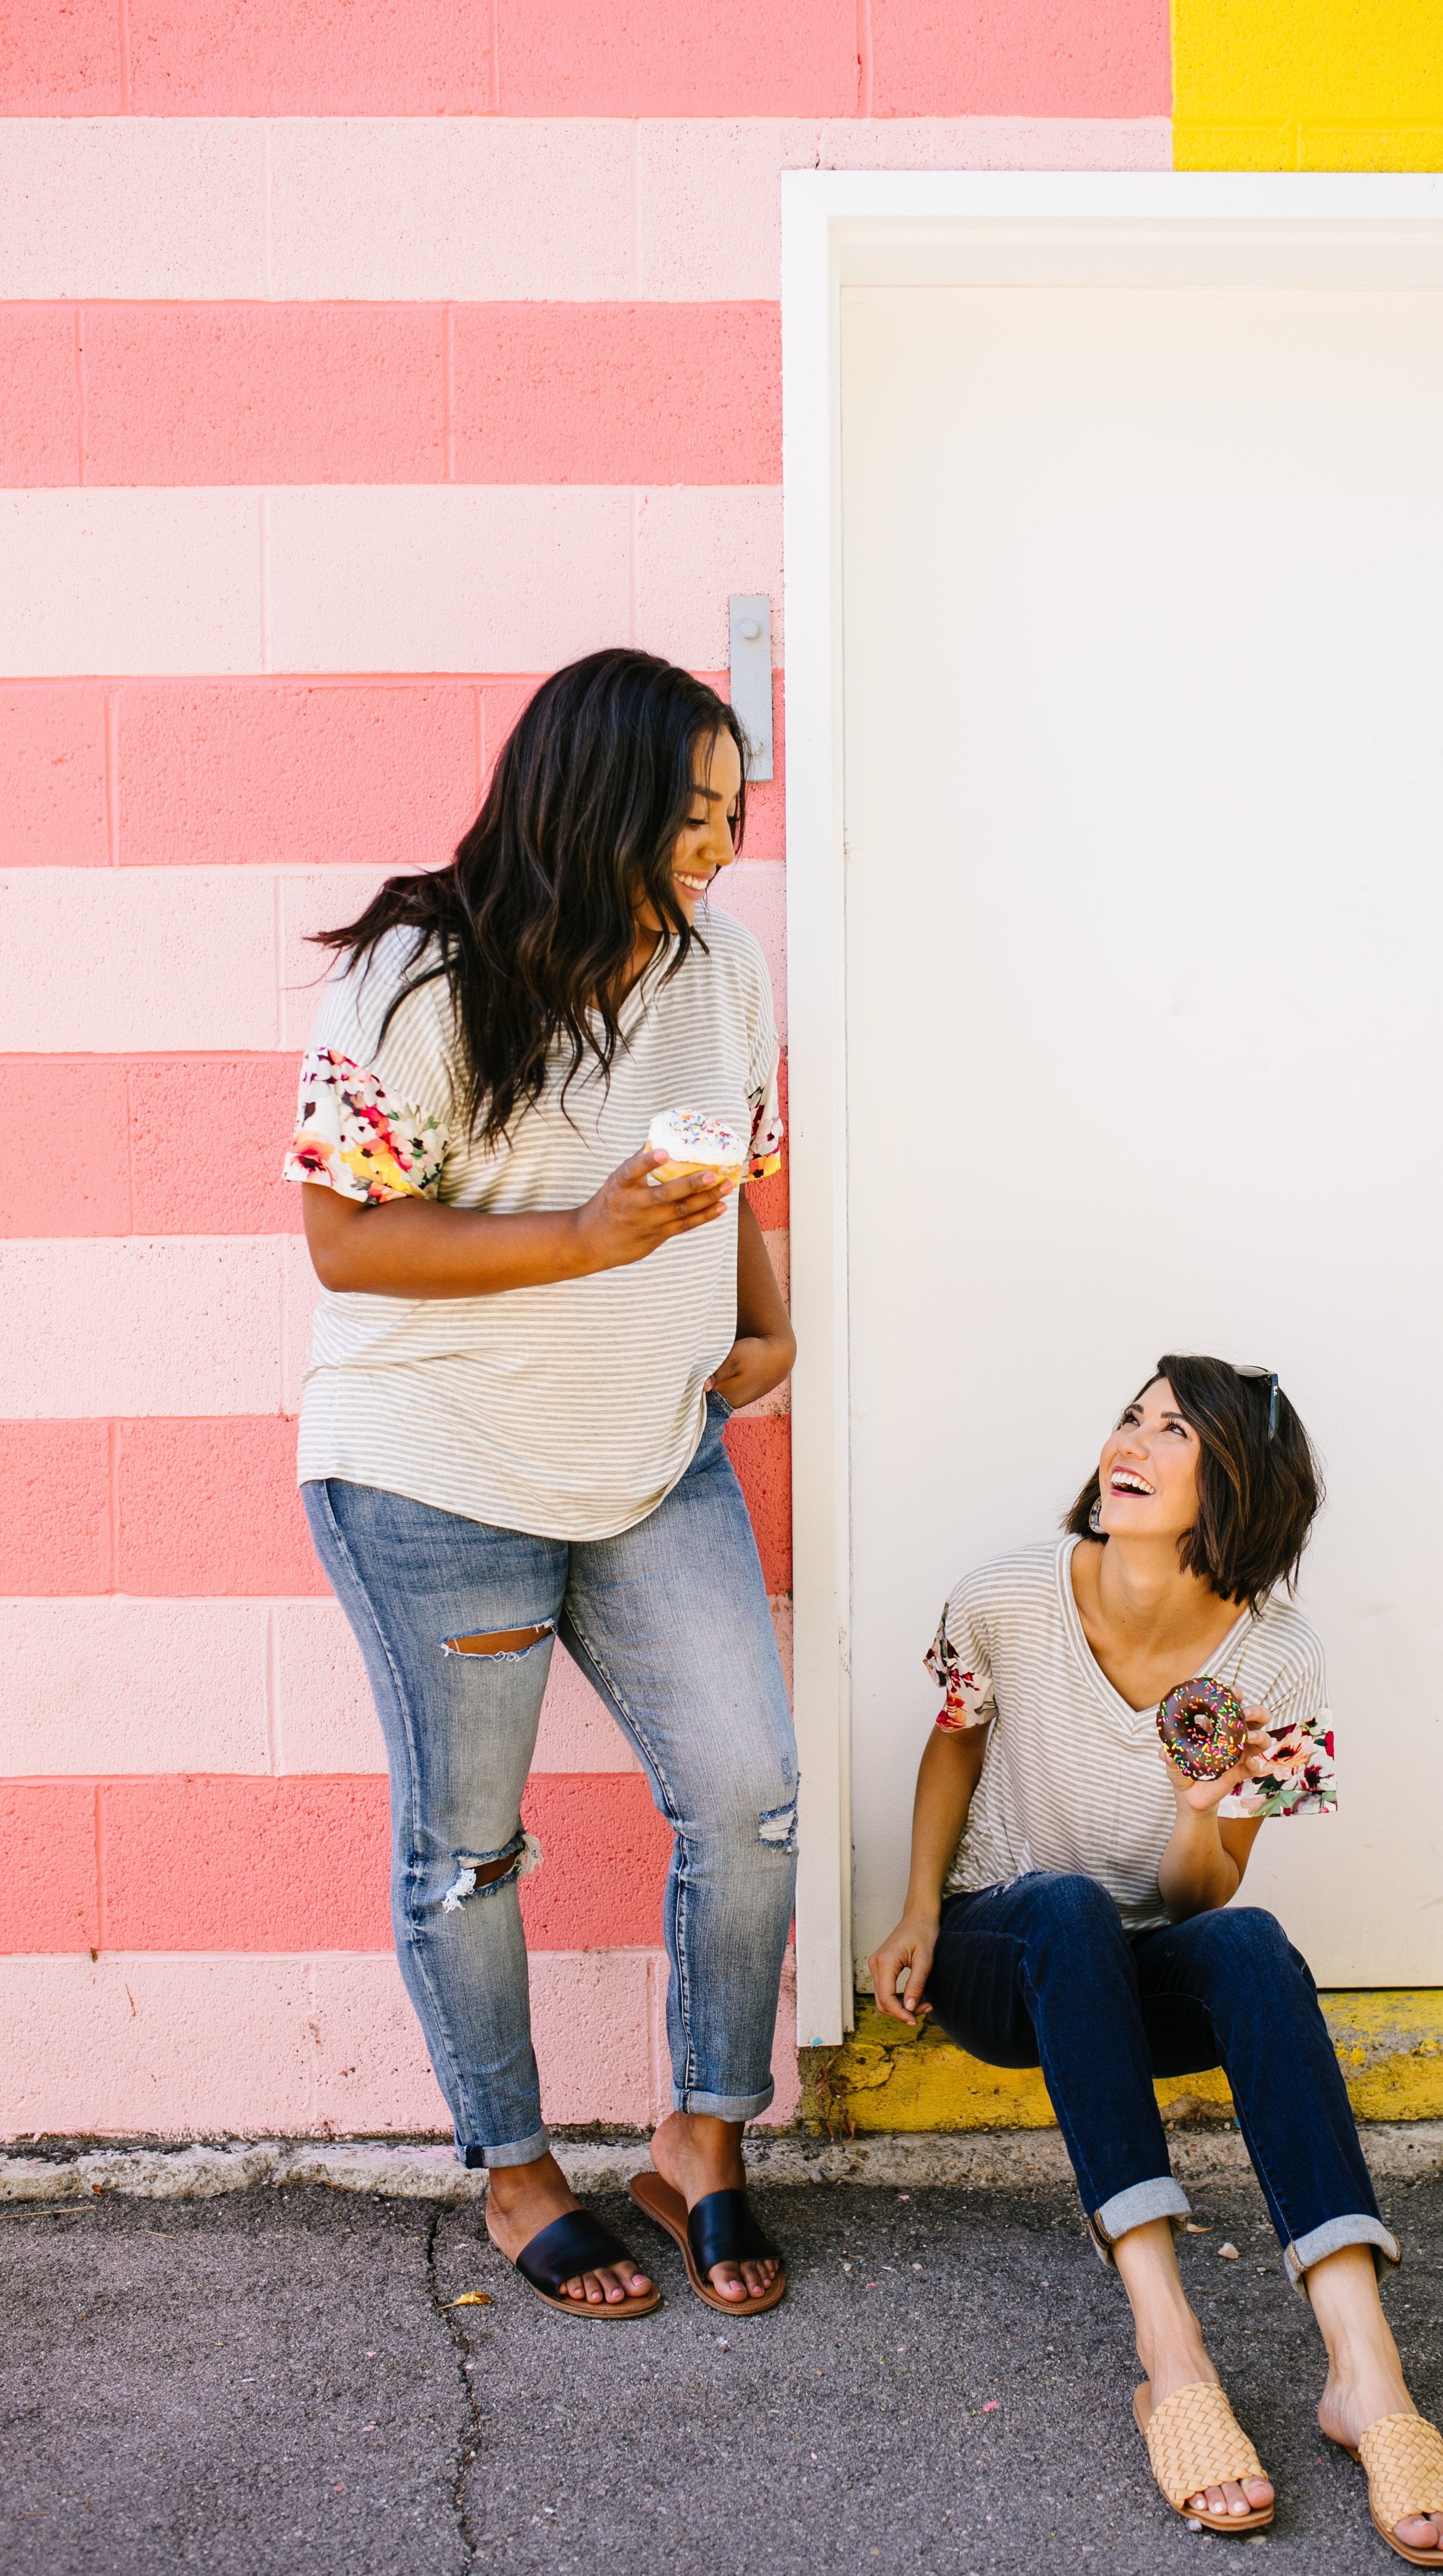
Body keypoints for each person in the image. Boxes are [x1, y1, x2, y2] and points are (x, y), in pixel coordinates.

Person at [286, 649, 797, 2321]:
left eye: (732, 812)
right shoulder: (421, 976)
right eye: (690, 813)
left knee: (749, 1792)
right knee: (470, 1849)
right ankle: (515, 2172)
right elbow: (345, 1238)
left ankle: (699, 2137)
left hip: (654, 1454)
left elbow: (736, 1169)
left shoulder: (724, 966)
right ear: (595, 804)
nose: (718, 845)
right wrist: (580, 1236)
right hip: (437, 1478)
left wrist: (768, 1318)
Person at [868, 1357, 1443, 2564]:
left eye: (1174, 1429)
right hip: (1008, 1952)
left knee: (1249, 1941)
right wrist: (917, 1913)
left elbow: (1204, 1894)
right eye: (1129, 1416)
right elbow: (956, 1740)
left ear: (1238, 1481)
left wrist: (1202, 1805)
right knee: (1069, 1909)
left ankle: (1368, 2372)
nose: (1130, 1443)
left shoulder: (1280, 1660)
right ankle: (1173, 2354)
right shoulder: (1003, 1595)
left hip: (1137, 1972)